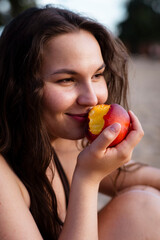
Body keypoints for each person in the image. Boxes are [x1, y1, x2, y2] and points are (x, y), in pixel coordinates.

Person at [0, 5, 160, 240]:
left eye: (97, 75)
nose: (92, 98)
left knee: (143, 202)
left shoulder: (65, 143)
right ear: (18, 86)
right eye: (66, 79)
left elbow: (145, 178)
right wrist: (87, 179)